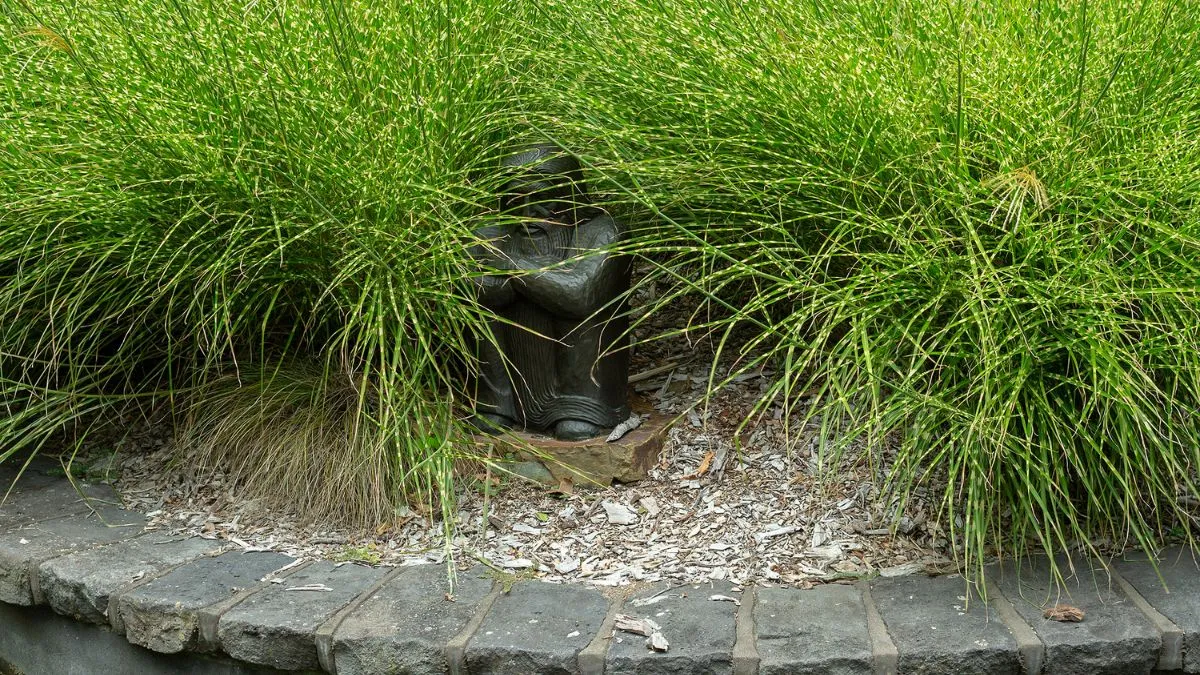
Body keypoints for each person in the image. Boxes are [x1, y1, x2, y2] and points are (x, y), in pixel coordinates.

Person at [470, 145, 631, 441]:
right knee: (483, 312)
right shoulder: (489, 235)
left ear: (570, 199)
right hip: (513, 359)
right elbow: (476, 289)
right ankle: (499, 404)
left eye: (543, 201)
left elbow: (579, 293)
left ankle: (577, 407)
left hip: (579, 366)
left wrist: (513, 268)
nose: (528, 214)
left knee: (578, 311)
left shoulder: (604, 231)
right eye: (516, 200)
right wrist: (537, 279)